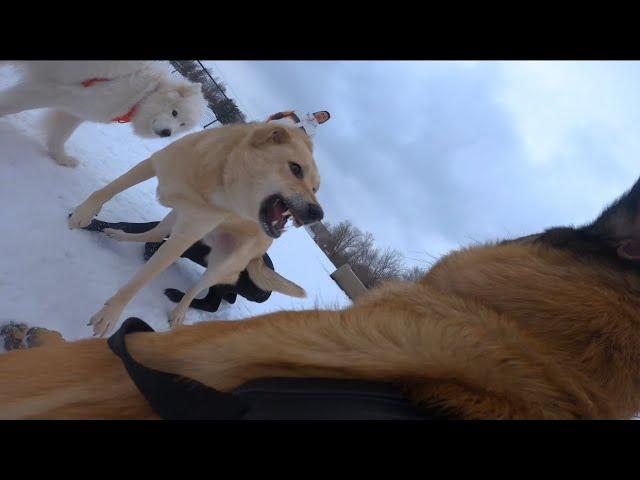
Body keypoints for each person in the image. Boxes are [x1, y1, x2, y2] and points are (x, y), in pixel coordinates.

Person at [265, 110, 330, 138]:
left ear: (322, 122)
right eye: (322, 113)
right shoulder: (299, 112)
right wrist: (266, 122)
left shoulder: (312, 132)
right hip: (269, 128)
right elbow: (279, 115)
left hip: (277, 141)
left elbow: (301, 143)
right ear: (318, 112)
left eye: (324, 117)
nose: (321, 116)